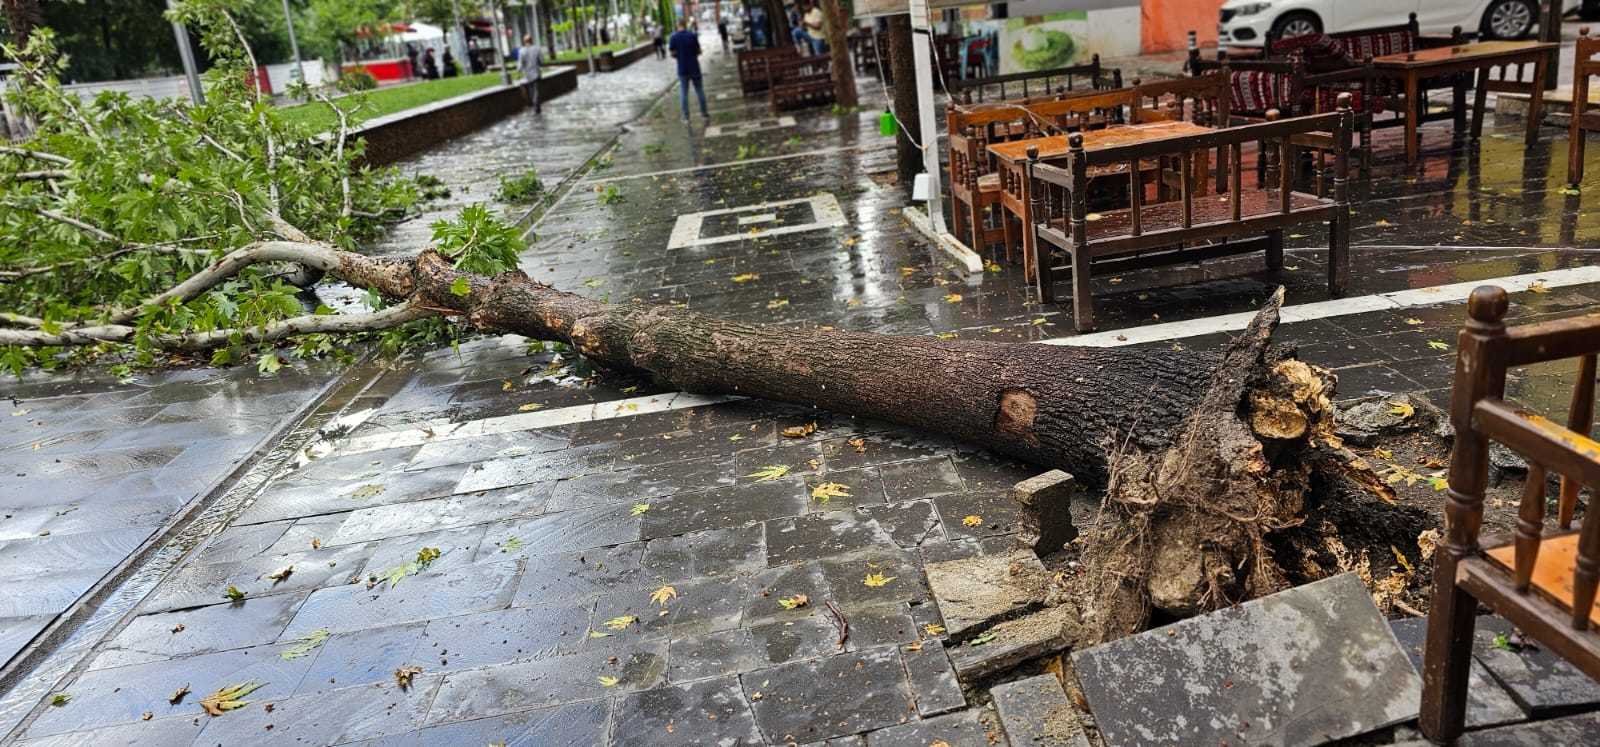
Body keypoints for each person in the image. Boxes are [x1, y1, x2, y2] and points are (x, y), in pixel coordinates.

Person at [667, 20, 708, 122]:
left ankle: (686, 117)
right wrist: (694, 54)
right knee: (699, 90)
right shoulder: (692, 35)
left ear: (678, 25)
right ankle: (704, 114)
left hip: (682, 68)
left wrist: (679, 56)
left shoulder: (673, 37)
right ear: (685, 25)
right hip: (694, 67)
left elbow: (672, 53)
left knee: (683, 93)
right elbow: (698, 51)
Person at [517, 34, 543, 114]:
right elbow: (541, 61)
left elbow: (520, 63)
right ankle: (536, 105)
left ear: (524, 42)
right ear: (531, 40)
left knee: (532, 90)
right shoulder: (537, 49)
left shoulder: (521, 51)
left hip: (527, 74)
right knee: (536, 90)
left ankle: (535, 104)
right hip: (536, 72)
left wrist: (518, 71)